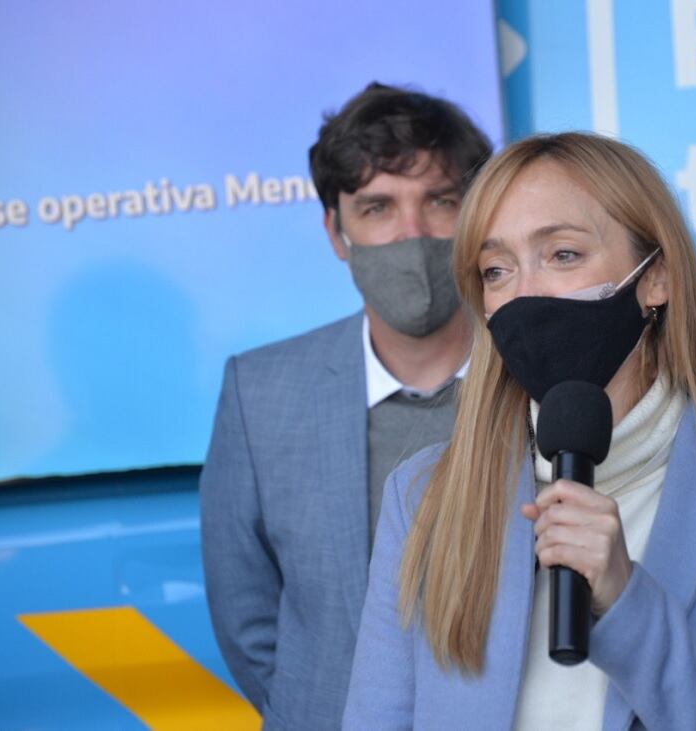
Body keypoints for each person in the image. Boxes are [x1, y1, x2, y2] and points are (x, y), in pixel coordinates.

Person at [343, 132, 696, 729]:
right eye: (497, 270)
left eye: (562, 255)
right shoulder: (423, 494)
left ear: (656, 278)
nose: (526, 292)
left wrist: (626, 598)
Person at [200, 82, 492, 730]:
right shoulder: (260, 392)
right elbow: (246, 617)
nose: (411, 235)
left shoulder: (549, 377)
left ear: (478, 216)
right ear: (337, 231)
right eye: (378, 207)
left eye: (440, 202)